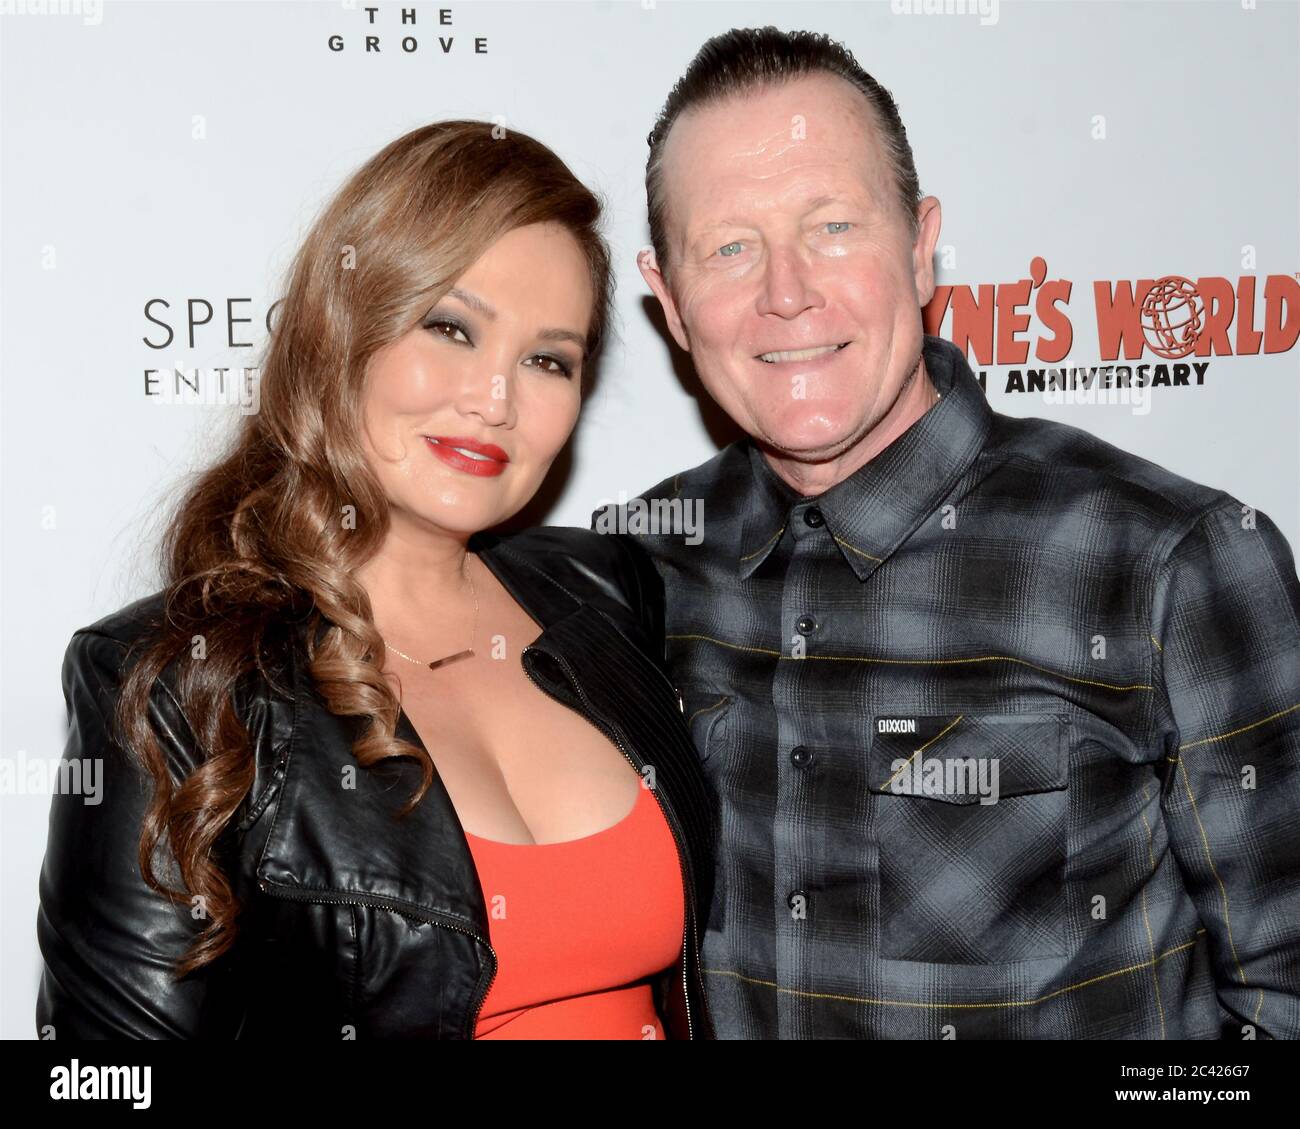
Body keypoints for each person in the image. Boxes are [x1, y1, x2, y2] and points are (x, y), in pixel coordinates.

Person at [606, 27, 1300, 1039]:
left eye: (833, 226)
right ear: (669, 299)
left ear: (921, 243)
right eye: (729, 248)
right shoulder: (636, 568)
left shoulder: (1167, 561)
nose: (786, 293)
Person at [35, 120, 715, 1040]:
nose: (496, 399)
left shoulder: (605, 592)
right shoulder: (183, 680)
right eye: (451, 327)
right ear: (342, 330)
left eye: (547, 359)